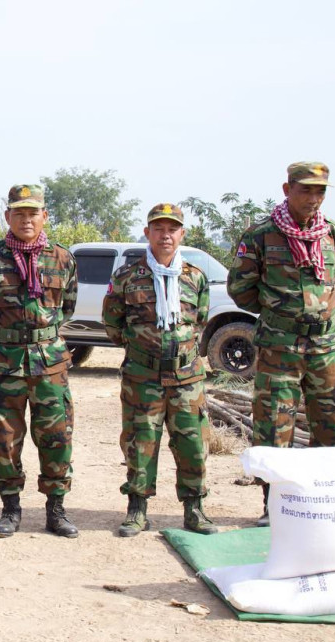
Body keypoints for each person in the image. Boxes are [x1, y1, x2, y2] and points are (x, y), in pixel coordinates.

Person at [227, 162, 335, 525]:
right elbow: (240, 289)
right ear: (287, 189)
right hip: (280, 348)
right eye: (305, 189)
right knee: (274, 425)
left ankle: (323, 501)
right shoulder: (262, 235)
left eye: (320, 191)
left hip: (326, 347)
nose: (313, 198)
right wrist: (282, 315)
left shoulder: (333, 233)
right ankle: (275, 506)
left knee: (330, 425)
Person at [0, 184, 79, 538]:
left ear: (44, 216)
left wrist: (41, 334)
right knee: (3, 437)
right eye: (19, 213)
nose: (26, 220)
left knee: (56, 436)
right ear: (7, 216)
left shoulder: (62, 258)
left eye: (33, 213)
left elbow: (67, 306)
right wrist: (4, 332)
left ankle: (56, 509)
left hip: (50, 364)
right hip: (4, 362)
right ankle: (10, 509)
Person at [102, 203, 217, 537]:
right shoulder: (126, 277)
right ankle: (137, 509)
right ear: (147, 233)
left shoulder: (195, 277)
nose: (165, 235)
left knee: (192, 444)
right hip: (143, 377)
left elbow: (200, 320)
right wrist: (143, 349)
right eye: (158, 229)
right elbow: (113, 324)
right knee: (140, 443)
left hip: (186, 378)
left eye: (172, 229)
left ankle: (194, 508)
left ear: (182, 234)